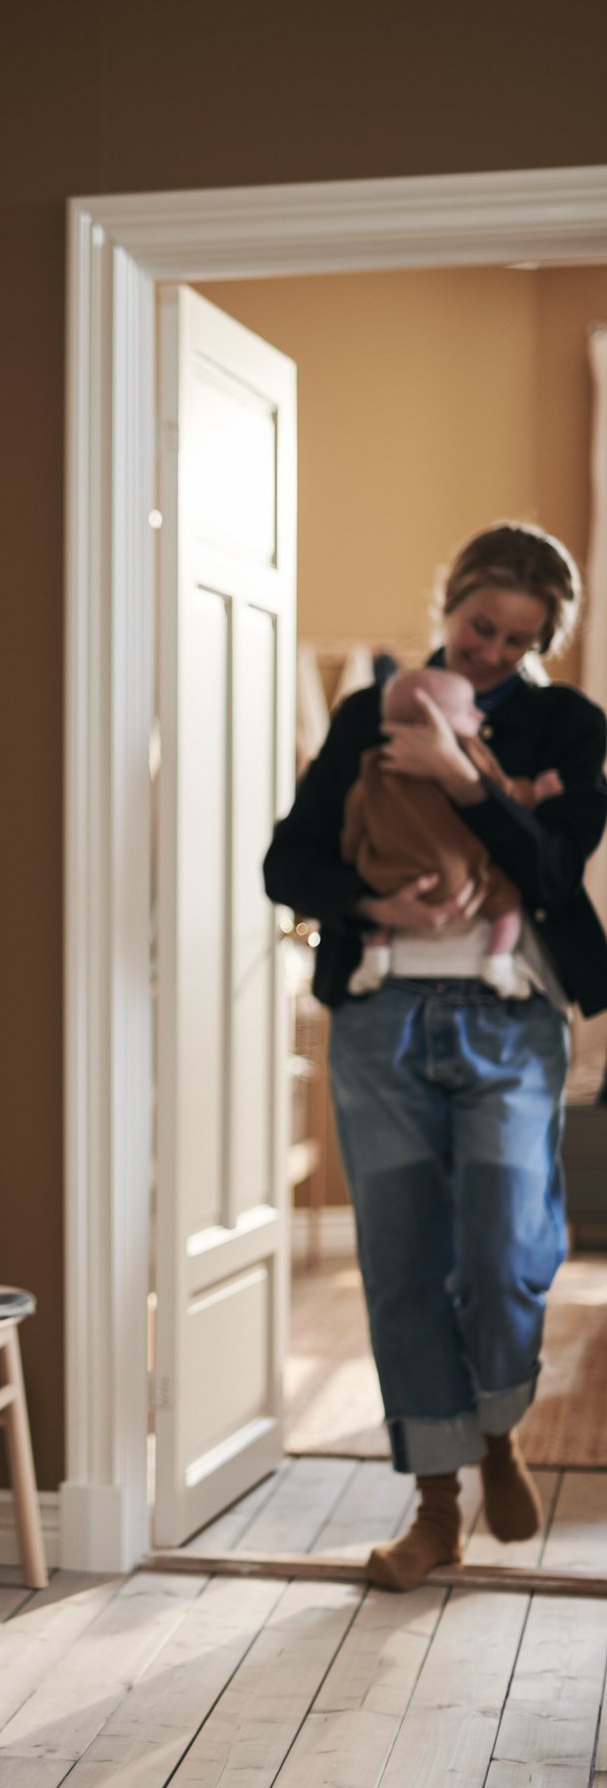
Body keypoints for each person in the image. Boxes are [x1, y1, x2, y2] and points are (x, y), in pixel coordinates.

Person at [265, 522, 607, 1591]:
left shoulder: (564, 724)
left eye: (516, 638)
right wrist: (371, 902)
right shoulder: (369, 712)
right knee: (402, 1263)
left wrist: (461, 780)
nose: (491, 653)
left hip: (508, 1022)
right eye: (476, 627)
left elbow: (553, 869)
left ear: (544, 637)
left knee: (505, 1249)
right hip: (379, 1027)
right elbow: (289, 859)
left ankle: (498, 1428)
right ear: (446, 604)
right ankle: (433, 1504)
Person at [340, 663, 564, 1000]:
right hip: (467, 880)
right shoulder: (472, 754)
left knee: (377, 908)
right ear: (426, 723)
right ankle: (498, 961)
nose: (478, 715)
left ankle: (375, 955)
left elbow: (353, 823)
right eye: (467, 710)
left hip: (392, 878)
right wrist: (536, 791)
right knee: (507, 906)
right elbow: (504, 794)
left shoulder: (372, 771)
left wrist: (354, 856)